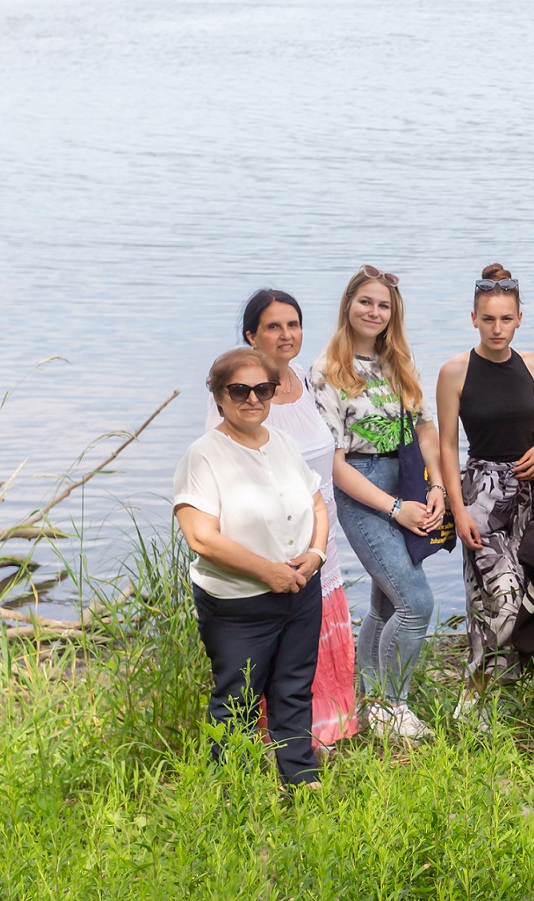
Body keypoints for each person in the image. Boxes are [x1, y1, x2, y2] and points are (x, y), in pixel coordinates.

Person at [206, 290, 358, 753]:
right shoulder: (238, 392)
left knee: (312, 641)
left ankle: (321, 733)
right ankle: (266, 743)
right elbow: (220, 467)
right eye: (273, 326)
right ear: (251, 335)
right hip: (268, 545)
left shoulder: (307, 381)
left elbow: (327, 463)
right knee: (269, 653)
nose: (286, 334)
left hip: (319, 536)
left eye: (293, 324)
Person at [175, 347, 329, 787]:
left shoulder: (282, 444)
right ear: (218, 396)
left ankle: (300, 779)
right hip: (239, 602)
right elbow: (201, 537)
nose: (252, 399)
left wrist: (315, 556)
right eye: (239, 390)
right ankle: (232, 790)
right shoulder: (203, 456)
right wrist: (269, 572)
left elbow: (317, 504)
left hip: (300, 589)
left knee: (295, 687)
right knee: (237, 698)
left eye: (263, 389)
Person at [313, 265, 448, 741]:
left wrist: (435, 487)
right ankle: (393, 705)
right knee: (415, 602)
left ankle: (368, 700)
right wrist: (393, 509)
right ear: (348, 304)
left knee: (387, 604)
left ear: (394, 313)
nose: (374, 311)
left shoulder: (400, 363)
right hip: (363, 490)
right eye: (365, 302)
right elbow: (335, 464)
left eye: (383, 305)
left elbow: (425, 429)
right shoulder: (328, 371)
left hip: (408, 478)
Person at [436, 265, 534, 724]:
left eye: (506, 319)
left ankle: (511, 693)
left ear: (520, 318)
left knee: (528, 597)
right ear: (474, 318)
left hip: (529, 491)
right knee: (495, 598)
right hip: (481, 492)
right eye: (488, 319)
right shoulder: (454, 371)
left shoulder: (533, 365)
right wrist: (457, 508)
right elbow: (446, 444)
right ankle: (473, 694)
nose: (497, 328)